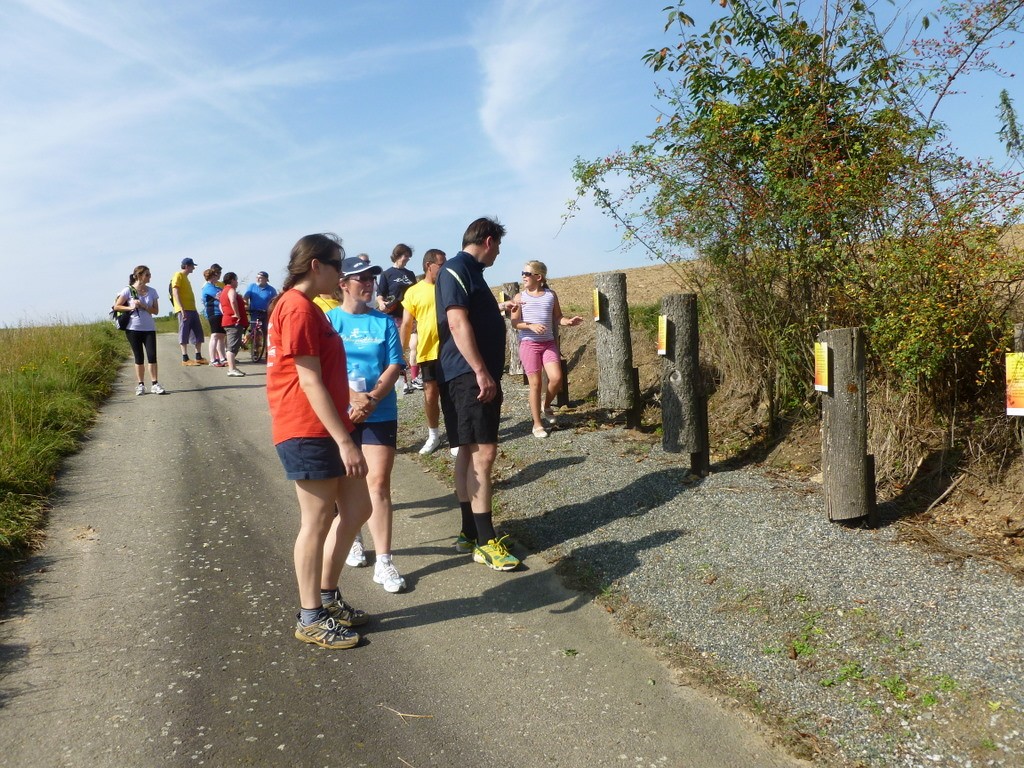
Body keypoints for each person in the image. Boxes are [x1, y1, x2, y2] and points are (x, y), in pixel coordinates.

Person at [266, 232, 372, 650]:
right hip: (307, 428)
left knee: (358, 507)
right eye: (337, 266)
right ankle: (310, 616)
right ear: (316, 265)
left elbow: (323, 374)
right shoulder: (296, 307)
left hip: (328, 424)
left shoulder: (308, 307)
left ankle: (327, 597)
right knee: (317, 520)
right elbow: (308, 381)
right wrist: (345, 441)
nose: (341, 275)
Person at [435, 217, 519, 571]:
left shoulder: (468, 272)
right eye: (498, 246)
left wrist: (498, 310)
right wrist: (481, 371)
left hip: (465, 373)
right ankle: (486, 542)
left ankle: (470, 532)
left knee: (469, 452)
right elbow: (457, 322)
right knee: (484, 453)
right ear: (488, 241)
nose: (498, 253)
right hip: (469, 375)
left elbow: (470, 314)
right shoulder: (457, 269)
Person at [325, 257, 407, 593]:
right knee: (346, 483)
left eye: (372, 278)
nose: (369, 284)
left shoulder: (384, 322)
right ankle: (353, 537)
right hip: (340, 412)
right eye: (361, 279)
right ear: (343, 284)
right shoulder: (330, 321)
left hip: (380, 410)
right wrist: (351, 398)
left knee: (378, 483)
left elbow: (394, 365)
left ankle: (384, 562)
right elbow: (322, 369)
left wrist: (370, 399)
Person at [510, 261, 583, 438]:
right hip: (529, 344)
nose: (523, 276)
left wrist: (568, 322)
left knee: (556, 378)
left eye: (527, 273)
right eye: (522, 273)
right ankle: (537, 424)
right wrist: (530, 325)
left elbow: (558, 317)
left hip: (548, 343)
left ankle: (546, 405)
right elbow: (514, 322)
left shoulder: (551, 295)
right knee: (535, 384)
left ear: (538, 277)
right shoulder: (520, 297)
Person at [400, 248, 447, 454]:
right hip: (427, 350)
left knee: (452, 395)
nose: (444, 268)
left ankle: (456, 437)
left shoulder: (448, 286)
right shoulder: (414, 291)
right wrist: (399, 354)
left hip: (451, 349)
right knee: (430, 394)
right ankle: (433, 435)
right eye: (441, 265)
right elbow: (406, 324)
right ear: (429, 265)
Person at [113, 265, 166, 395]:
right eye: (147, 274)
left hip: (149, 328)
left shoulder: (152, 291)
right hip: (133, 329)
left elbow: (156, 311)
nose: (150, 277)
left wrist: (143, 305)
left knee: (152, 356)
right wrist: (131, 307)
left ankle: (155, 384)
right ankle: (140, 385)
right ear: (139, 276)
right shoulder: (127, 290)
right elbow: (116, 306)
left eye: (149, 274)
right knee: (139, 357)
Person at [376, 243, 417, 393]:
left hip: (410, 315)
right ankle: (400, 387)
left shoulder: (410, 274)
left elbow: (416, 293)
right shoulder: (387, 274)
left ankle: (415, 378)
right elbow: (380, 294)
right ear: (398, 255)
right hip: (394, 317)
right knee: (397, 351)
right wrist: (381, 303)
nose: (407, 259)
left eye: (409, 256)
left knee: (414, 347)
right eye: (405, 255)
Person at [170, 257, 207, 365]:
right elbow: (175, 291)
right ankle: (185, 358)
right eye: (192, 266)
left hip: (192, 309)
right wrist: (181, 308)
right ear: (187, 266)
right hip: (184, 309)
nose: (193, 268)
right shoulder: (178, 275)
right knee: (184, 332)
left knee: (198, 332)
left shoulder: (186, 278)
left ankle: (198, 356)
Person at [219, 272, 250, 378]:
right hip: (233, 321)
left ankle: (233, 368)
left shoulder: (223, 291)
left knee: (233, 345)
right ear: (232, 280)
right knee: (232, 346)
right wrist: (236, 313)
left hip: (228, 320)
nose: (237, 282)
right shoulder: (230, 290)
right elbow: (232, 300)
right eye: (236, 280)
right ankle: (231, 369)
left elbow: (221, 305)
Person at [201, 266, 227, 367]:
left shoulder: (216, 287)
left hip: (221, 313)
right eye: (216, 275)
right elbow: (220, 296)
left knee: (221, 336)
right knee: (215, 335)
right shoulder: (208, 287)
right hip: (213, 313)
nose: (217, 277)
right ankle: (213, 359)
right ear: (212, 276)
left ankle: (222, 358)